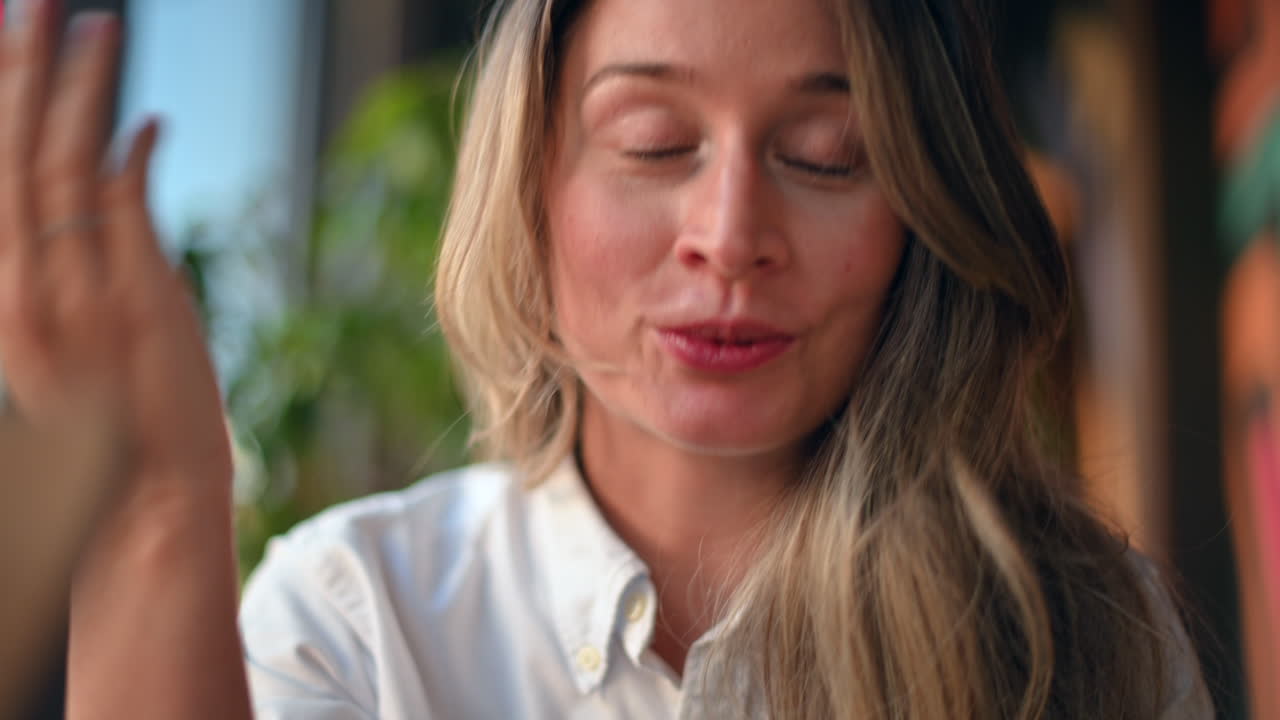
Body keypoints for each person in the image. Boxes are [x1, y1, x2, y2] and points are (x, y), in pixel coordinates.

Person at [0, 0, 1214, 718]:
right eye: (651, 142)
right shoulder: (358, 621)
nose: (730, 238)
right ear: (530, 183)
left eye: (827, 153)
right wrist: (157, 510)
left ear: (917, 210)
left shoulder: (1081, 630)